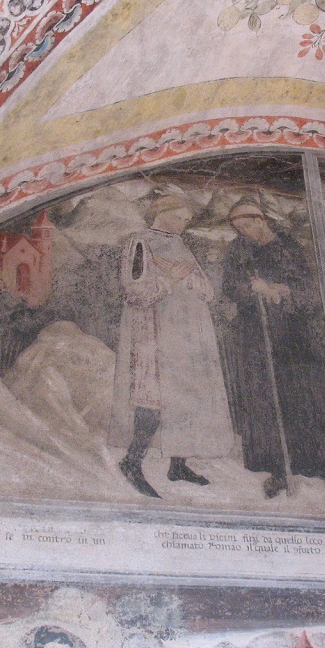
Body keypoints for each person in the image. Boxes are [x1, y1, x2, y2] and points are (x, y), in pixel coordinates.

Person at [221, 201, 325, 507]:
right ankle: (278, 470)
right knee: (266, 400)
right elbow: (230, 286)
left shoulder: (288, 247)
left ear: (261, 219)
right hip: (256, 335)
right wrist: (252, 289)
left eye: (246, 226)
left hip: (293, 336)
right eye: (238, 229)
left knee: (308, 398)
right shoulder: (238, 251)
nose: (243, 232)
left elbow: (308, 290)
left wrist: (281, 290)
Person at [109, 194, 234, 498]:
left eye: (187, 221)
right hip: (154, 332)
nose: (182, 225)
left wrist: (186, 278)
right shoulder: (139, 242)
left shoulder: (180, 245)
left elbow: (206, 291)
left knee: (186, 396)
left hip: (188, 334)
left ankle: (178, 465)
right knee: (152, 396)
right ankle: (131, 462)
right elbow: (134, 293)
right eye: (178, 217)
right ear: (161, 212)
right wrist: (171, 278)